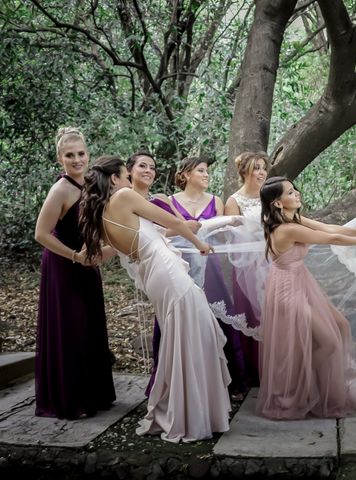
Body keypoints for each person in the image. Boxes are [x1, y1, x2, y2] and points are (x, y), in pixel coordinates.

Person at [79, 155, 231, 442]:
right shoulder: (124, 196)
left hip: (154, 275)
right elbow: (172, 220)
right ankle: (191, 413)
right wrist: (199, 244)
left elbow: (113, 250)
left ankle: (187, 408)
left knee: (184, 336)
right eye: (125, 175)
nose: (127, 181)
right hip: (167, 270)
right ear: (115, 179)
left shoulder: (102, 215)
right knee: (196, 333)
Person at [257, 176, 356, 419]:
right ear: (277, 203)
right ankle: (294, 390)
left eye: (295, 189)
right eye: (290, 192)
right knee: (328, 342)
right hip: (287, 290)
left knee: (341, 325)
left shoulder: (293, 219)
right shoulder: (287, 229)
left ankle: (311, 385)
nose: (296, 193)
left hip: (300, 281)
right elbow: (332, 240)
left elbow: (331, 229)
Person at [34, 127, 115, 419]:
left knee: (90, 325)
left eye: (81, 154)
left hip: (86, 264)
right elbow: (41, 234)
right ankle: (70, 400)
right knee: (71, 328)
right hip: (62, 266)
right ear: (60, 159)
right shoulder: (61, 189)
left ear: (88, 154)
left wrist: (104, 249)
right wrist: (74, 256)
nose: (77, 159)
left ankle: (93, 395)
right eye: (70, 155)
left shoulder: (93, 185)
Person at [170, 157, 248, 399]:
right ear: (185, 174)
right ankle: (186, 380)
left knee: (221, 316)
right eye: (201, 171)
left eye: (207, 171)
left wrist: (226, 225)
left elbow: (224, 237)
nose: (206, 175)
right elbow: (169, 233)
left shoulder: (216, 201)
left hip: (210, 265)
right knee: (184, 317)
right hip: (180, 265)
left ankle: (233, 380)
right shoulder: (171, 202)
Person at [126, 151, 199, 396]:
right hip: (153, 263)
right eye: (142, 166)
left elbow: (182, 226)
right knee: (167, 320)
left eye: (152, 167)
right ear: (129, 171)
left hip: (174, 257)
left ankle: (183, 382)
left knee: (180, 319)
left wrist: (169, 211)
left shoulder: (158, 199)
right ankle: (165, 384)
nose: (148, 171)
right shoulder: (122, 202)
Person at [224, 151, 269, 389]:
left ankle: (277, 365)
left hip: (272, 259)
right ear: (245, 172)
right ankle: (254, 370)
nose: (262, 172)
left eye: (263, 167)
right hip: (246, 265)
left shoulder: (268, 196)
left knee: (274, 311)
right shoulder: (234, 201)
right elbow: (232, 238)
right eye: (257, 168)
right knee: (252, 313)